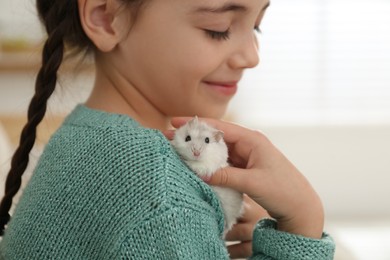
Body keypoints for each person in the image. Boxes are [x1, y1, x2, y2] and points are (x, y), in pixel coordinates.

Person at [0, 0, 335, 259]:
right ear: (105, 17)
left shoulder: (87, 132)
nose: (251, 56)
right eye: (218, 28)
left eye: (257, 27)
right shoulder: (157, 193)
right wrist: (302, 223)